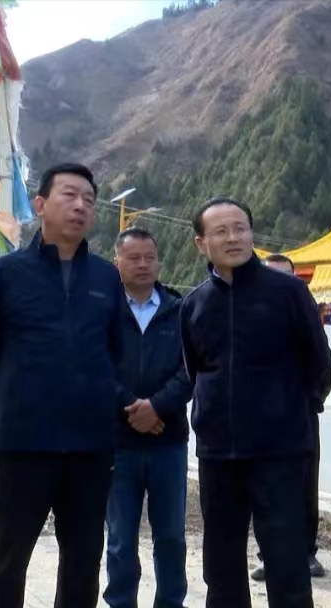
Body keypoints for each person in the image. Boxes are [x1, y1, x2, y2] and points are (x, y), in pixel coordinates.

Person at [0, 163, 124, 608]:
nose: (80, 206)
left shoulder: (106, 277)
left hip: (90, 446)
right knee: (6, 557)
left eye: (88, 200)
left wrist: (96, 401)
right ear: (40, 204)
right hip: (25, 443)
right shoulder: (5, 274)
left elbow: (116, 351)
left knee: (83, 559)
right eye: (69, 195)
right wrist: (18, 399)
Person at [180, 197, 331, 608]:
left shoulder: (288, 292)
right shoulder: (194, 304)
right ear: (201, 243)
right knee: (222, 564)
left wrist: (292, 414)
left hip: (279, 453)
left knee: (286, 561)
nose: (233, 237)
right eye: (221, 231)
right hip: (218, 454)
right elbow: (195, 370)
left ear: (251, 234)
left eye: (240, 228)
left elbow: (319, 364)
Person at [104, 227, 193, 608]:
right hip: (117, 443)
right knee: (120, 538)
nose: (142, 264)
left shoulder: (180, 310)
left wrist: (157, 407)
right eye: (133, 258)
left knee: (171, 536)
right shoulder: (104, 310)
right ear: (117, 263)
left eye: (149, 257)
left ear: (158, 262)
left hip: (168, 441)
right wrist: (132, 409)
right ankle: (121, 602)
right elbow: (94, 364)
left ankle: (170, 602)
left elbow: (192, 369)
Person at [250, 252, 327, 582]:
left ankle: (306, 553)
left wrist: (308, 402)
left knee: (304, 487)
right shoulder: (250, 311)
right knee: (262, 490)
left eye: (286, 276)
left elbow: (322, 363)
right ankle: (267, 555)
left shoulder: (304, 310)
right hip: (258, 418)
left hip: (300, 415)